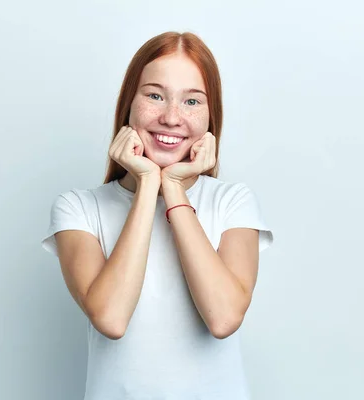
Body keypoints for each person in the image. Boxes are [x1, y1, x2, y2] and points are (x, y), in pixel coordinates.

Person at [41, 31, 273, 400]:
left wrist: (175, 191)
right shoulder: (78, 209)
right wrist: (149, 183)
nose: (171, 117)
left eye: (192, 101)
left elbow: (224, 318)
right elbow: (111, 319)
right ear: (128, 105)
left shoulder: (233, 201)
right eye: (154, 95)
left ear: (211, 118)